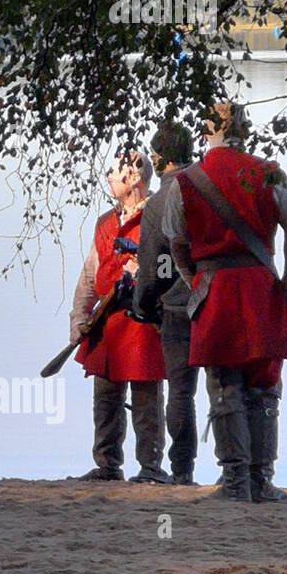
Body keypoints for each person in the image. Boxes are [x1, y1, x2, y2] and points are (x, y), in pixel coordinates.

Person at [163, 102, 287, 503]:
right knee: (265, 384)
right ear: (245, 128)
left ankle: (235, 481)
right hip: (262, 287)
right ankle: (261, 481)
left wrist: (195, 282)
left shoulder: (186, 181)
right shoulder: (270, 172)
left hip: (217, 289)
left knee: (225, 385)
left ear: (208, 132)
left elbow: (177, 243)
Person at [69, 149, 168, 482]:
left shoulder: (159, 216)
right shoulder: (105, 224)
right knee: (106, 398)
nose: (110, 176)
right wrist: (79, 317)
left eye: (116, 171)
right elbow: (89, 275)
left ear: (135, 177)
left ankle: (151, 468)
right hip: (108, 322)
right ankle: (107, 464)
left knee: (146, 401)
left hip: (143, 321)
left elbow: (170, 268)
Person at [131, 121, 200, 485]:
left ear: (161, 158)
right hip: (214, 300)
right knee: (224, 385)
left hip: (175, 308)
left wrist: (142, 304)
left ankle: (183, 469)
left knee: (181, 391)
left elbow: (151, 265)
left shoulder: (159, 203)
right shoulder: (206, 187)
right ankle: (235, 467)